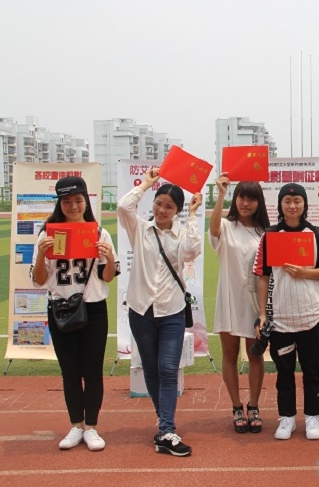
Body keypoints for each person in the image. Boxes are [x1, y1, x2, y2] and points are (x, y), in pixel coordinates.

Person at [118, 167, 203, 456]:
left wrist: (193, 215)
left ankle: (166, 428)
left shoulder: (181, 235)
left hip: (171, 311)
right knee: (152, 368)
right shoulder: (139, 228)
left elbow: (193, 250)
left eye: (169, 206)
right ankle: (164, 424)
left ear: (177, 211)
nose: (162, 210)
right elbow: (123, 206)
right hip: (141, 310)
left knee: (168, 368)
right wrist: (146, 184)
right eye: (158, 203)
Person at [31, 176, 119, 452]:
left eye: (78, 200)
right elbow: (39, 280)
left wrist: (109, 257)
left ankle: (91, 427)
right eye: (67, 201)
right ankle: (75, 425)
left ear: (86, 202)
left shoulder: (99, 233)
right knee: (69, 371)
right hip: (60, 309)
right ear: (59, 203)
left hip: (93, 308)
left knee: (92, 371)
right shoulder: (47, 235)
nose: (73, 206)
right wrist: (41, 255)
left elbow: (108, 277)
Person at [254, 183, 319, 440]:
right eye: (287, 201)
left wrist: (305, 273)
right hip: (280, 318)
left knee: (312, 370)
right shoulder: (269, 236)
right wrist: (263, 315)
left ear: (304, 204)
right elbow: (263, 277)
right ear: (280, 205)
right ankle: (287, 418)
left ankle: (312, 416)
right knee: (284, 372)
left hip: (311, 315)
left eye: (297, 201)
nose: (292, 206)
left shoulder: (317, 234)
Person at [209, 172, 270, 434]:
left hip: (256, 303)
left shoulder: (265, 232)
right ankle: (236, 407)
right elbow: (213, 230)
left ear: (259, 202)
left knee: (256, 355)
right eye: (241, 198)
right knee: (230, 355)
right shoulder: (225, 226)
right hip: (230, 300)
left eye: (251, 199)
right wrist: (221, 193)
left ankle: (253, 405)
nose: (246, 203)